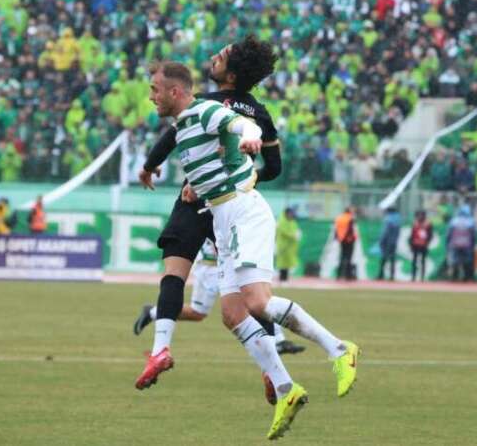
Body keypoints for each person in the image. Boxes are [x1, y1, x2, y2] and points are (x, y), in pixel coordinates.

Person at [137, 60, 359, 439]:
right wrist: (179, 178)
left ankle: (339, 349)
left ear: (175, 92)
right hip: (222, 221)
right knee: (232, 314)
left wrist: (250, 136)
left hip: (244, 213)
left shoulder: (205, 110)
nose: (151, 96)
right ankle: (287, 389)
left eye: (155, 90)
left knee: (256, 304)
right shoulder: (182, 126)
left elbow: (241, 124)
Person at [132, 38, 299, 378]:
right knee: (249, 294)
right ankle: (273, 372)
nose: (213, 58)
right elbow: (275, 167)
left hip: (199, 199)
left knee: (174, 273)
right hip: (235, 203)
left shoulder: (205, 104)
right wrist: (246, 177)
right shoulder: (260, 112)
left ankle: (161, 348)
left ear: (231, 75)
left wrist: (148, 167)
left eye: (220, 57)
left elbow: (171, 139)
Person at [134, 239, 306, 355]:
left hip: (222, 266)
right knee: (198, 312)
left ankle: (278, 340)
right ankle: (153, 312)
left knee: (252, 300)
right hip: (209, 267)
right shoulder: (213, 203)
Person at [446, 204, 477, 282]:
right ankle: (467, 277)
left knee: (455, 260)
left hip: (455, 244)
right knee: (467, 261)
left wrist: (448, 243)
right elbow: (473, 235)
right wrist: (473, 244)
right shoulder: (470, 221)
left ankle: (454, 277)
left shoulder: (454, 221)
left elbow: (449, 234)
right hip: (467, 244)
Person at [276, 206, 300, 283]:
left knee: (287, 263)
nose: (292, 215)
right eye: (290, 213)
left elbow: (295, 230)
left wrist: (296, 234)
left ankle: (285, 279)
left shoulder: (292, 221)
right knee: (282, 263)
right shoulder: (282, 221)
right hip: (283, 245)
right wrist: (293, 235)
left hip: (290, 246)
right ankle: (282, 279)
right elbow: (283, 231)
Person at [409, 210, 433, 282]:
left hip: (423, 245)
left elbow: (430, 235)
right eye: (419, 215)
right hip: (415, 244)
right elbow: (412, 235)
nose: (420, 217)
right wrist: (411, 244)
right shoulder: (415, 223)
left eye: (422, 215)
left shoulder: (428, 224)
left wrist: (427, 243)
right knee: (414, 261)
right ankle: (413, 277)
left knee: (423, 261)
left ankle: (422, 277)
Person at [334, 206, 357, 281]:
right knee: (348, 257)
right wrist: (350, 238)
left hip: (341, 239)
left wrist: (337, 238)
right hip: (349, 240)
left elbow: (336, 229)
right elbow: (350, 229)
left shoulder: (339, 218)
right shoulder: (350, 218)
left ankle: (339, 275)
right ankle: (348, 275)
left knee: (342, 257)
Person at [377, 207, 401, 280]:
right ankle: (392, 276)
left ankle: (381, 274)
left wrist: (381, 241)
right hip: (394, 242)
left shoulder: (388, 219)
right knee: (392, 259)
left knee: (383, 258)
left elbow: (385, 232)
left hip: (387, 242)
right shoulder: (398, 219)